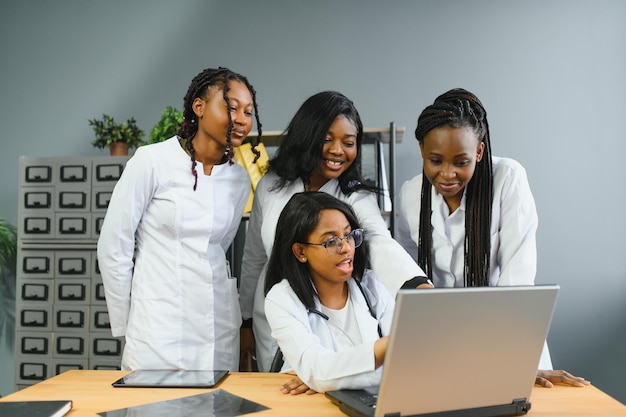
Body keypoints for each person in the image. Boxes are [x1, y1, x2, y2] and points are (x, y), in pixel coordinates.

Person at [396, 88, 589, 388]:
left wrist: (510, 361)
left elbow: (517, 281)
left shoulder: (508, 179)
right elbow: (406, 278)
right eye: (435, 160)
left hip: (508, 338)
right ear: (421, 149)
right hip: (441, 347)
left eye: (461, 162)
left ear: (479, 152)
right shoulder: (410, 195)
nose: (447, 174)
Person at [239, 91, 429, 374]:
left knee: (327, 377)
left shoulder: (355, 196)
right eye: (327, 139)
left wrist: (416, 287)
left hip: (332, 320)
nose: (338, 150)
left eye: (348, 142)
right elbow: (255, 257)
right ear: (307, 136)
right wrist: (245, 322)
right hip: (275, 316)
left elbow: (378, 241)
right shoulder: (271, 185)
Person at [97, 67, 262, 371]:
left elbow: (219, 246)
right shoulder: (152, 161)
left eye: (248, 112)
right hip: (159, 324)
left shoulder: (238, 179)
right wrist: (127, 322)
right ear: (199, 107)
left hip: (217, 323)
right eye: (231, 107)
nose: (241, 119)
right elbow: (113, 244)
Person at [264, 192, 394, 394]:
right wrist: (388, 348)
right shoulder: (281, 299)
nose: (346, 248)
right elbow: (318, 370)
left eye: (349, 235)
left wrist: (326, 377)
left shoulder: (373, 285)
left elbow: (407, 360)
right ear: (300, 252)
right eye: (331, 241)